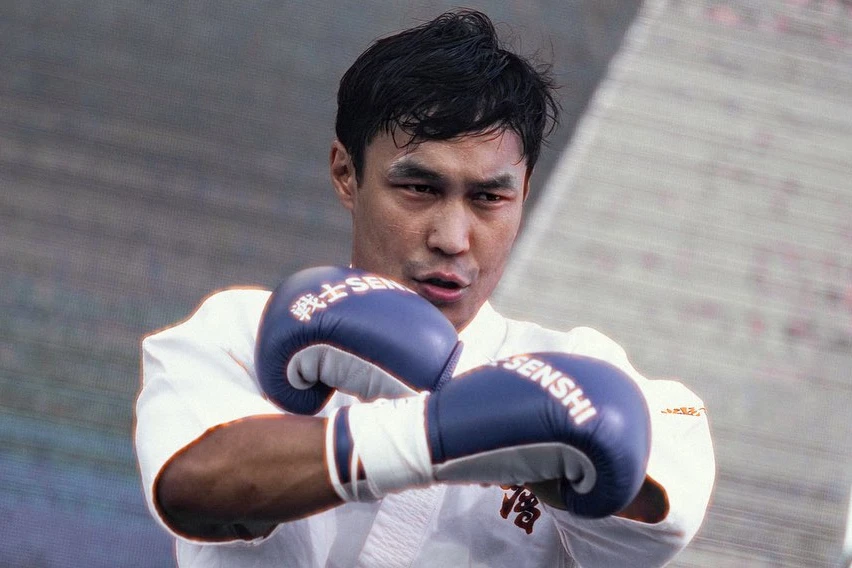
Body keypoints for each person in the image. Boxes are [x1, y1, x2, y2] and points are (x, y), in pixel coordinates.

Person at [134, 9, 715, 567]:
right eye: (419, 188)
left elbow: (654, 519)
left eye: (488, 197)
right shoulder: (241, 330)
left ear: (523, 193)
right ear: (346, 173)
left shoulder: (590, 370)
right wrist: (451, 429)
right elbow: (194, 487)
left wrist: (477, 410)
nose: (452, 238)